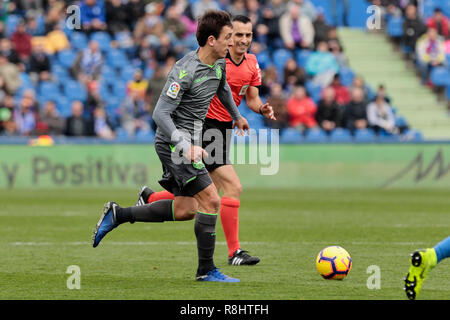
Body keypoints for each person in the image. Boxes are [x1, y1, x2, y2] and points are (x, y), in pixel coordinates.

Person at [92, 10, 250, 282]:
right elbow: (159, 114)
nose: (233, 42)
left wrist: (237, 116)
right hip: (173, 143)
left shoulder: (219, 64)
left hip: (191, 142)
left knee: (186, 209)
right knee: (212, 199)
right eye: (228, 37)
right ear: (211, 40)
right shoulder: (184, 71)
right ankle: (206, 270)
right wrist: (184, 146)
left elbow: (222, 89)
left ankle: (118, 214)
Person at [135, 15, 275, 266]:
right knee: (231, 187)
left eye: (248, 35)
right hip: (206, 129)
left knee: (195, 201)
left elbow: (250, 97)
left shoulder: (252, 64)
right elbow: (182, 101)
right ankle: (234, 253)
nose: (242, 40)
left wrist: (257, 109)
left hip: (224, 129)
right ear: (226, 40)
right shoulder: (215, 60)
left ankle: (150, 199)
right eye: (237, 35)